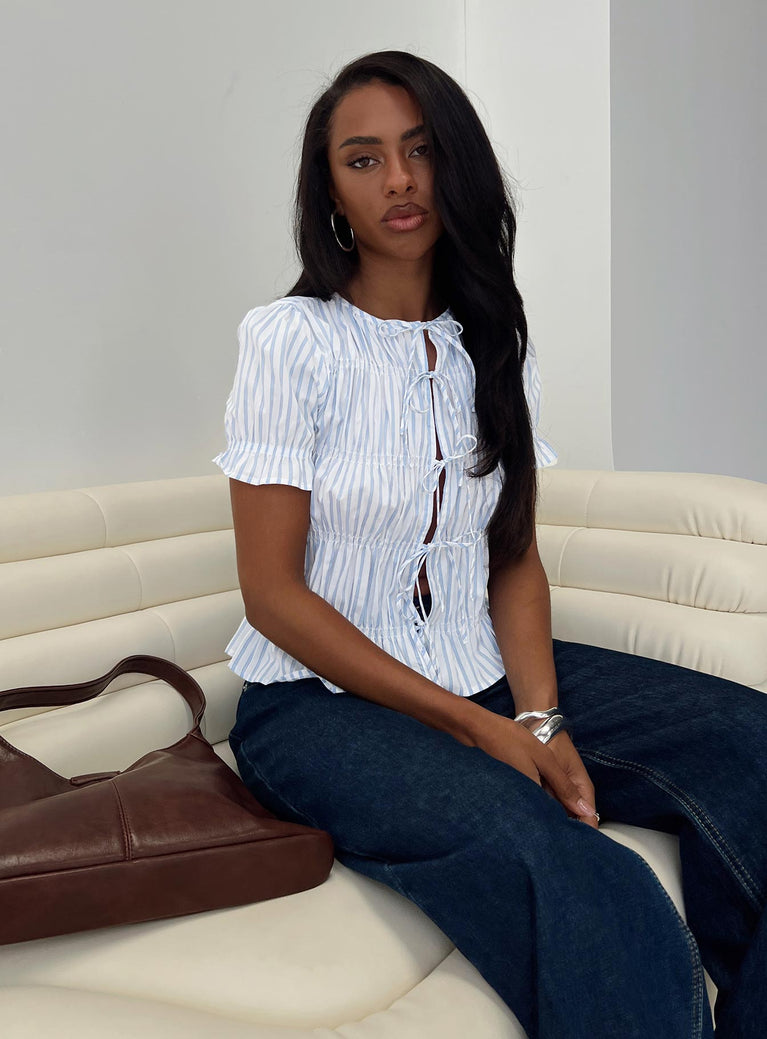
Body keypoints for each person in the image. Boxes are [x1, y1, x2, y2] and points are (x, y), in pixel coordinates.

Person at [212, 50, 767, 1039]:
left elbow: (510, 554)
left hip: (484, 671)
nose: (398, 179)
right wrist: (479, 729)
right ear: (329, 190)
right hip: (316, 709)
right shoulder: (290, 339)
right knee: (582, 871)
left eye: (420, 150)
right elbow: (273, 596)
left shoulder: (494, 341)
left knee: (750, 740)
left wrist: (539, 719)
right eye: (363, 159)